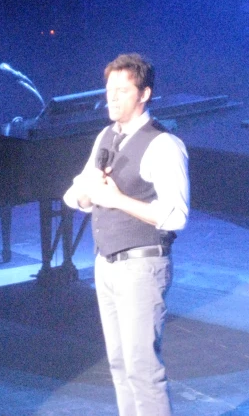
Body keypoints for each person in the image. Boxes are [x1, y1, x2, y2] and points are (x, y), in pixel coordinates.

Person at [63, 53, 189, 415]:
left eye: (122, 91)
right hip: (107, 265)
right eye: (108, 90)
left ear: (144, 94)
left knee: (143, 371)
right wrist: (89, 193)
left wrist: (117, 198)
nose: (112, 98)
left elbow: (175, 215)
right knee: (119, 366)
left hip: (142, 266)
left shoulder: (164, 145)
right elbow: (76, 194)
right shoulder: (106, 135)